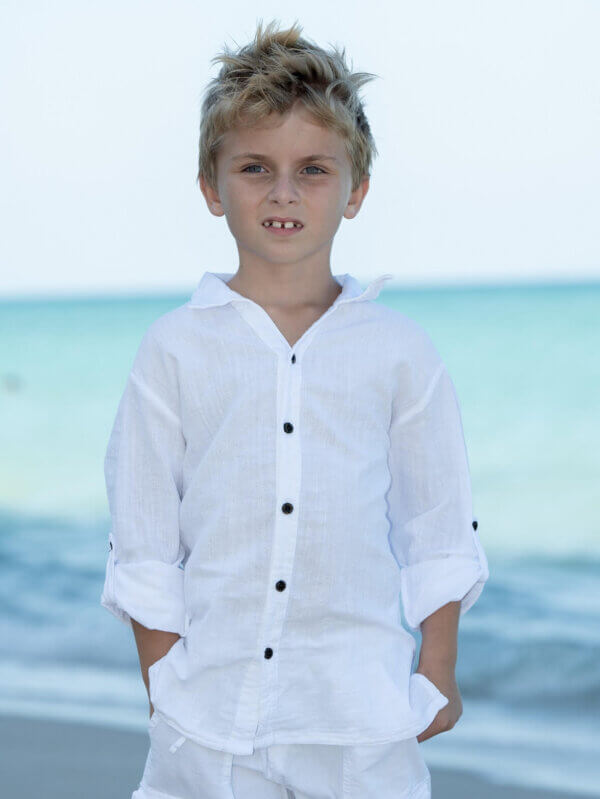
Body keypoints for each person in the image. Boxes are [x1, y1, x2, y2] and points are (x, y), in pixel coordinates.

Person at [100, 17, 489, 799]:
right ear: (212, 187)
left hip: (360, 719)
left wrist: (436, 665)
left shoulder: (399, 351)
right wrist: (164, 680)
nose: (283, 192)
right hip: (206, 727)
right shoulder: (173, 350)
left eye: (313, 169)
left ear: (357, 190)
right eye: (254, 167)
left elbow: (436, 524)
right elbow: (145, 539)